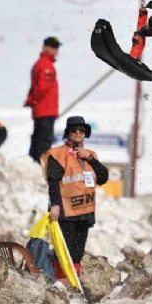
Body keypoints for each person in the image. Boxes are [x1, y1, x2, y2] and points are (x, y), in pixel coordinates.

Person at [42, 115, 108, 281]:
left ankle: (73, 283)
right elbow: (53, 181)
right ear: (68, 132)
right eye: (74, 130)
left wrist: (90, 159)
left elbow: (103, 178)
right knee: (63, 252)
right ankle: (60, 283)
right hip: (66, 213)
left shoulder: (90, 155)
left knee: (77, 253)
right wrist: (55, 205)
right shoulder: (58, 154)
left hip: (85, 212)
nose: (78, 133)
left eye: (82, 130)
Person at [26, 36, 61, 162]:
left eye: (56, 47)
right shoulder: (46, 65)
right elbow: (41, 88)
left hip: (42, 109)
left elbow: (36, 88)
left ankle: (33, 164)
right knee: (44, 140)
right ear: (46, 47)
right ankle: (40, 165)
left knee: (38, 138)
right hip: (45, 109)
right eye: (53, 47)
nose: (56, 50)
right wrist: (33, 101)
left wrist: (31, 101)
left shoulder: (41, 64)